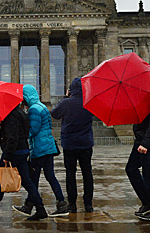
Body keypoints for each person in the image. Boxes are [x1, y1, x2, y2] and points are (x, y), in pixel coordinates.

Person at [0, 104, 48, 221]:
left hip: (14, 152)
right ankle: (40, 208)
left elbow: (12, 137)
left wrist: (7, 156)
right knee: (27, 181)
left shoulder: (11, 115)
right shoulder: (20, 113)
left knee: (0, 181)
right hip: (22, 150)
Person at [13, 84, 68, 217]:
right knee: (49, 176)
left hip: (39, 148)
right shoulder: (42, 106)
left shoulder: (34, 110)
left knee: (34, 178)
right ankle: (61, 203)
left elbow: (33, 130)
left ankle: (30, 206)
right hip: (48, 147)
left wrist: (22, 133)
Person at [50, 77, 95, 213]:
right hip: (86, 144)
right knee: (87, 173)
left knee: (71, 174)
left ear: (71, 90)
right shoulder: (89, 103)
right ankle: (88, 204)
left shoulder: (66, 103)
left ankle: (72, 204)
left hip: (70, 145)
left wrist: (66, 97)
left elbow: (54, 114)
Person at [126, 102, 150, 221]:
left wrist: (146, 143)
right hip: (141, 139)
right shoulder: (142, 97)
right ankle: (147, 203)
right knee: (131, 169)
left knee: (149, 174)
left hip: (147, 141)